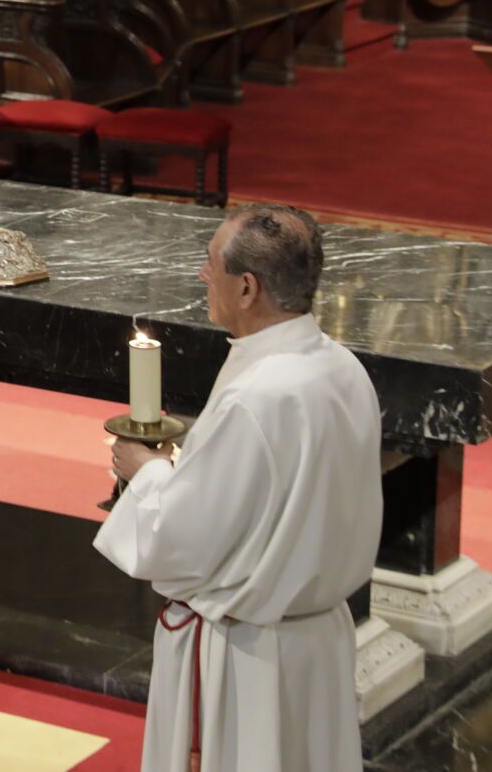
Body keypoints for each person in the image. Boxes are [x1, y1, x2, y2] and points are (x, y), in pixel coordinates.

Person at [94, 205, 382, 772]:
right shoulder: (343, 368)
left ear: (247, 287)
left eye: (210, 263)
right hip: (317, 641)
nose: (204, 276)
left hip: (248, 657)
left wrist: (145, 470)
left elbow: (182, 544)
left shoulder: (260, 394)